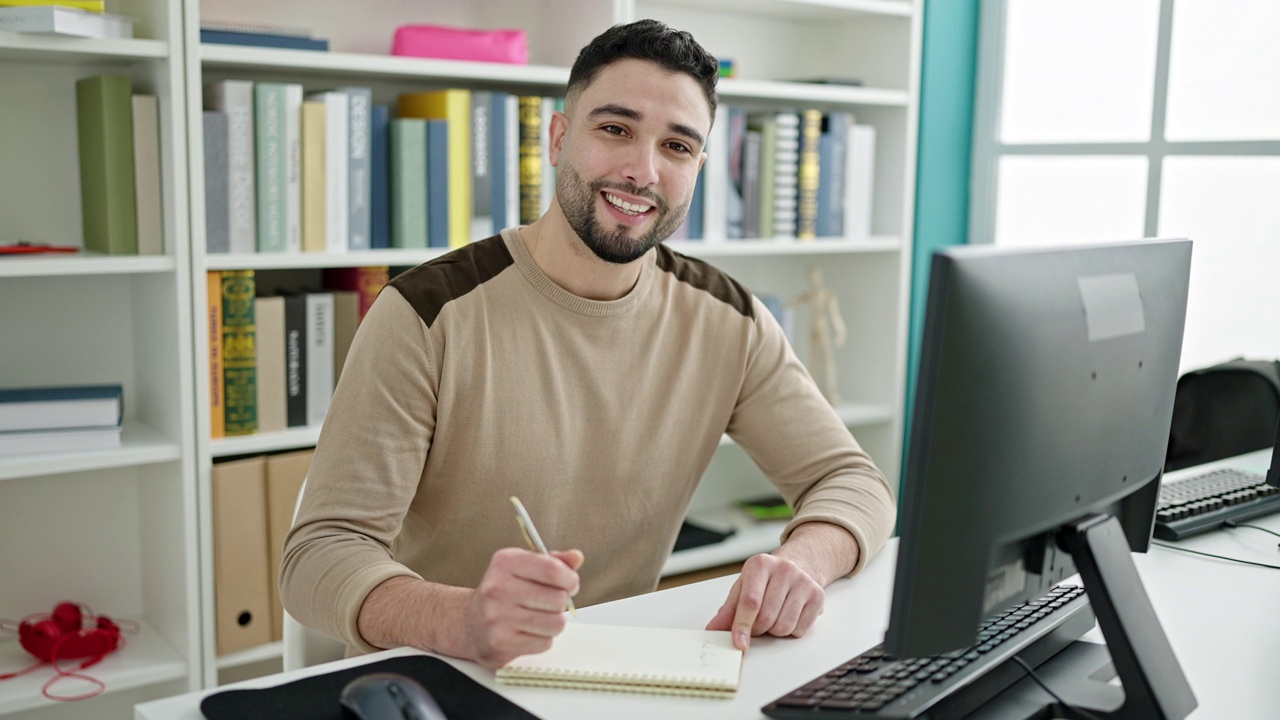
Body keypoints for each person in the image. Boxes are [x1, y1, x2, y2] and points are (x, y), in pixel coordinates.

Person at [280, 18, 896, 672]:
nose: (642, 171)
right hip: (437, 678)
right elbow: (319, 554)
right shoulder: (426, 314)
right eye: (615, 130)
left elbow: (852, 481)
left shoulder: (730, 321)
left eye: (678, 147)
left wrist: (803, 561)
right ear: (558, 137)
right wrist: (463, 619)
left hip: (614, 680)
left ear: (699, 168)